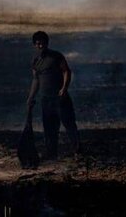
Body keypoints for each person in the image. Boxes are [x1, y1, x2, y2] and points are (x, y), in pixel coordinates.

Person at [27, 31, 80, 160]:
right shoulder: (35, 61)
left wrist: (64, 88)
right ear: (34, 45)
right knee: (49, 128)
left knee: (69, 124)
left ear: (47, 43)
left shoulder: (56, 56)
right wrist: (31, 97)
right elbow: (36, 80)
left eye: (42, 43)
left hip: (60, 98)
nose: (40, 46)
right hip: (45, 99)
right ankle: (52, 154)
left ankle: (77, 150)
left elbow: (66, 71)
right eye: (38, 44)